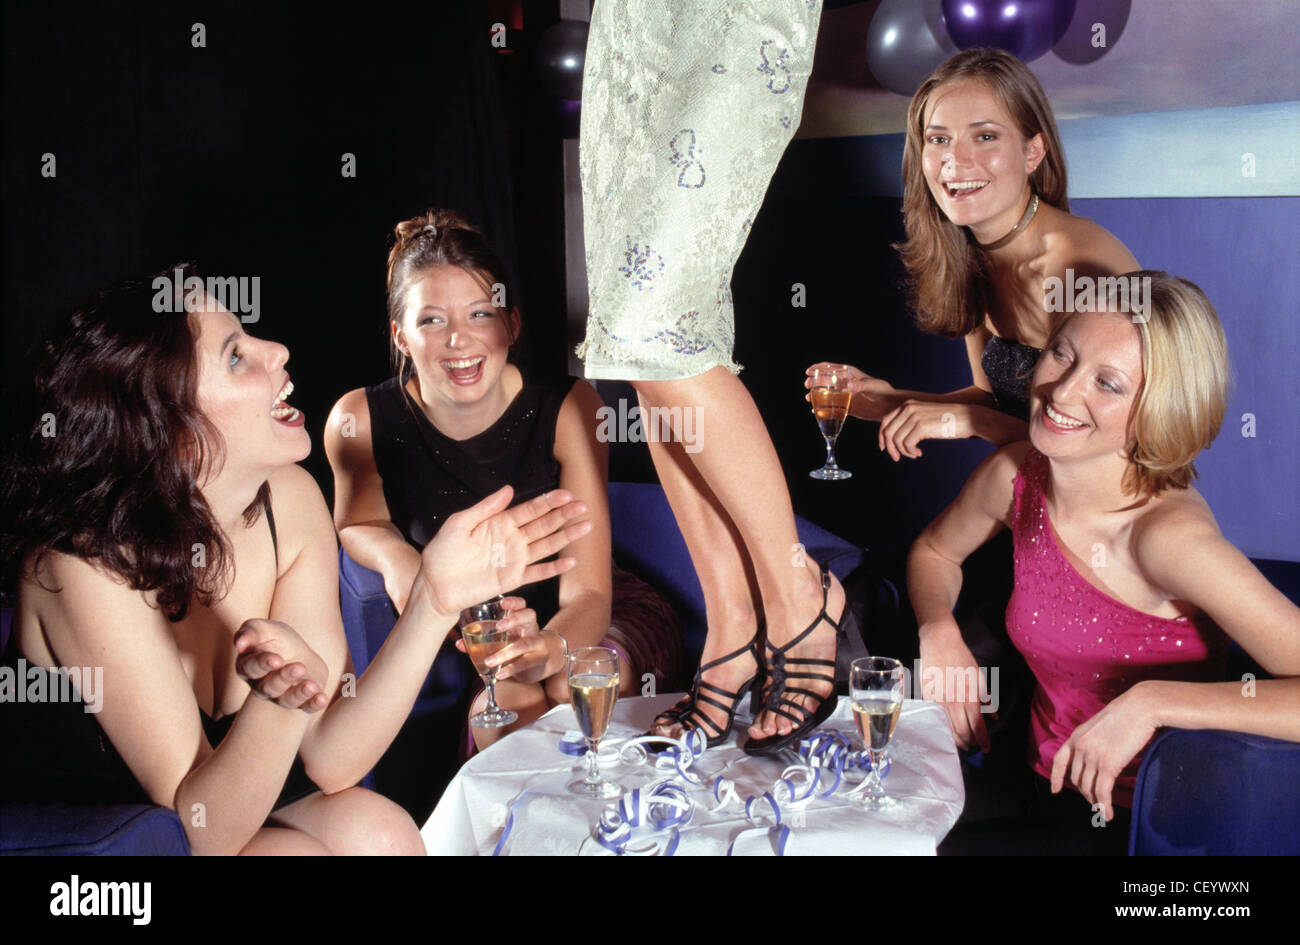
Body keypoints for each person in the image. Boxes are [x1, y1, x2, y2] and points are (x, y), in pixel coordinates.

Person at [0, 268, 591, 855]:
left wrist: (434, 602)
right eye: (235, 358)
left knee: (381, 832)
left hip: (234, 799)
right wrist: (279, 705)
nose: (277, 350)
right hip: (90, 846)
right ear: (172, 430)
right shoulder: (79, 567)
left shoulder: (289, 498)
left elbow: (332, 761)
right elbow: (202, 830)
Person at [907, 272, 1300, 854]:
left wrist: (1153, 700)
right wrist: (938, 629)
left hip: (1147, 825)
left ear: (1156, 410)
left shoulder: (1166, 541)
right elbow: (934, 552)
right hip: (1034, 782)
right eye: (1061, 354)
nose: (1061, 393)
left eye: (1108, 383)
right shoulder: (1017, 477)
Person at [326, 210, 680, 802]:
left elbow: (591, 593)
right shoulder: (357, 420)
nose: (459, 340)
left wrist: (551, 649)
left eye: (479, 314)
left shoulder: (571, 407)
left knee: (575, 684)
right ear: (399, 335)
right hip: (486, 631)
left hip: (592, 615)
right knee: (507, 709)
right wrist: (397, 560)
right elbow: (357, 521)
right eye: (431, 320)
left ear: (511, 325)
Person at [576, 0, 844, 754]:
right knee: (641, 348)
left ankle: (799, 594)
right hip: (633, 22)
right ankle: (732, 620)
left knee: (650, 319)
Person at [807, 47, 1138, 460]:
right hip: (1030, 492)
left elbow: (1113, 447)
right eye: (939, 139)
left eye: (985, 136)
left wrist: (970, 423)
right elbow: (993, 400)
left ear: (1033, 152)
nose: (955, 160)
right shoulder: (974, 255)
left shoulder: (1079, 270)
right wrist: (888, 403)